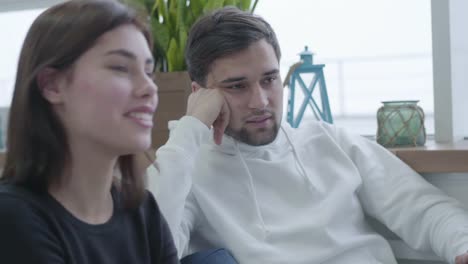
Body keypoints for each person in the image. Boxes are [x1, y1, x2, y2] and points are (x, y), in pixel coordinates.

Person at [147, 6, 468, 264]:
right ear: (200, 93)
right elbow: (150, 249)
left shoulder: (329, 141)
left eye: (270, 80)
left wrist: (461, 244)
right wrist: (191, 127)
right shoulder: (188, 174)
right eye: (237, 86)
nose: (260, 101)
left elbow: (422, 208)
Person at [0, 1, 178, 263]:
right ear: (52, 85)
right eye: (120, 68)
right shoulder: (12, 217)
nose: (150, 88)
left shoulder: (142, 209)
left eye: (149, 72)